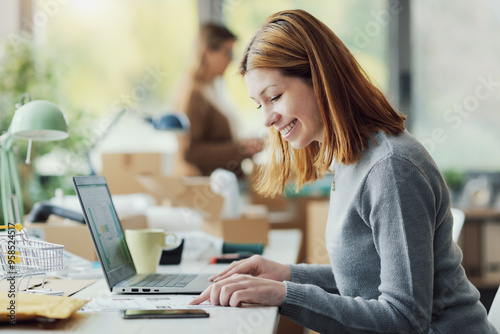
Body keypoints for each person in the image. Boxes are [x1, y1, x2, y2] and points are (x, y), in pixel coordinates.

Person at [189, 9, 498, 334]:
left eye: (275, 97)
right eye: (259, 104)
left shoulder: (390, 169)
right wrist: (286, 275)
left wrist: (285, 295)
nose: (266, 119)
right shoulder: (351, 159)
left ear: (321, 80)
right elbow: (364, 281)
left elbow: (405, 319)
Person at [173, 23, 263, 178]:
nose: (230, 60)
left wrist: (244, 147)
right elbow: (192, 152)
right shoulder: (195, 95)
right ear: (207, 52)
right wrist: (239, 149)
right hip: (209, 187)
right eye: (227, 53)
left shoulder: (215, 87)